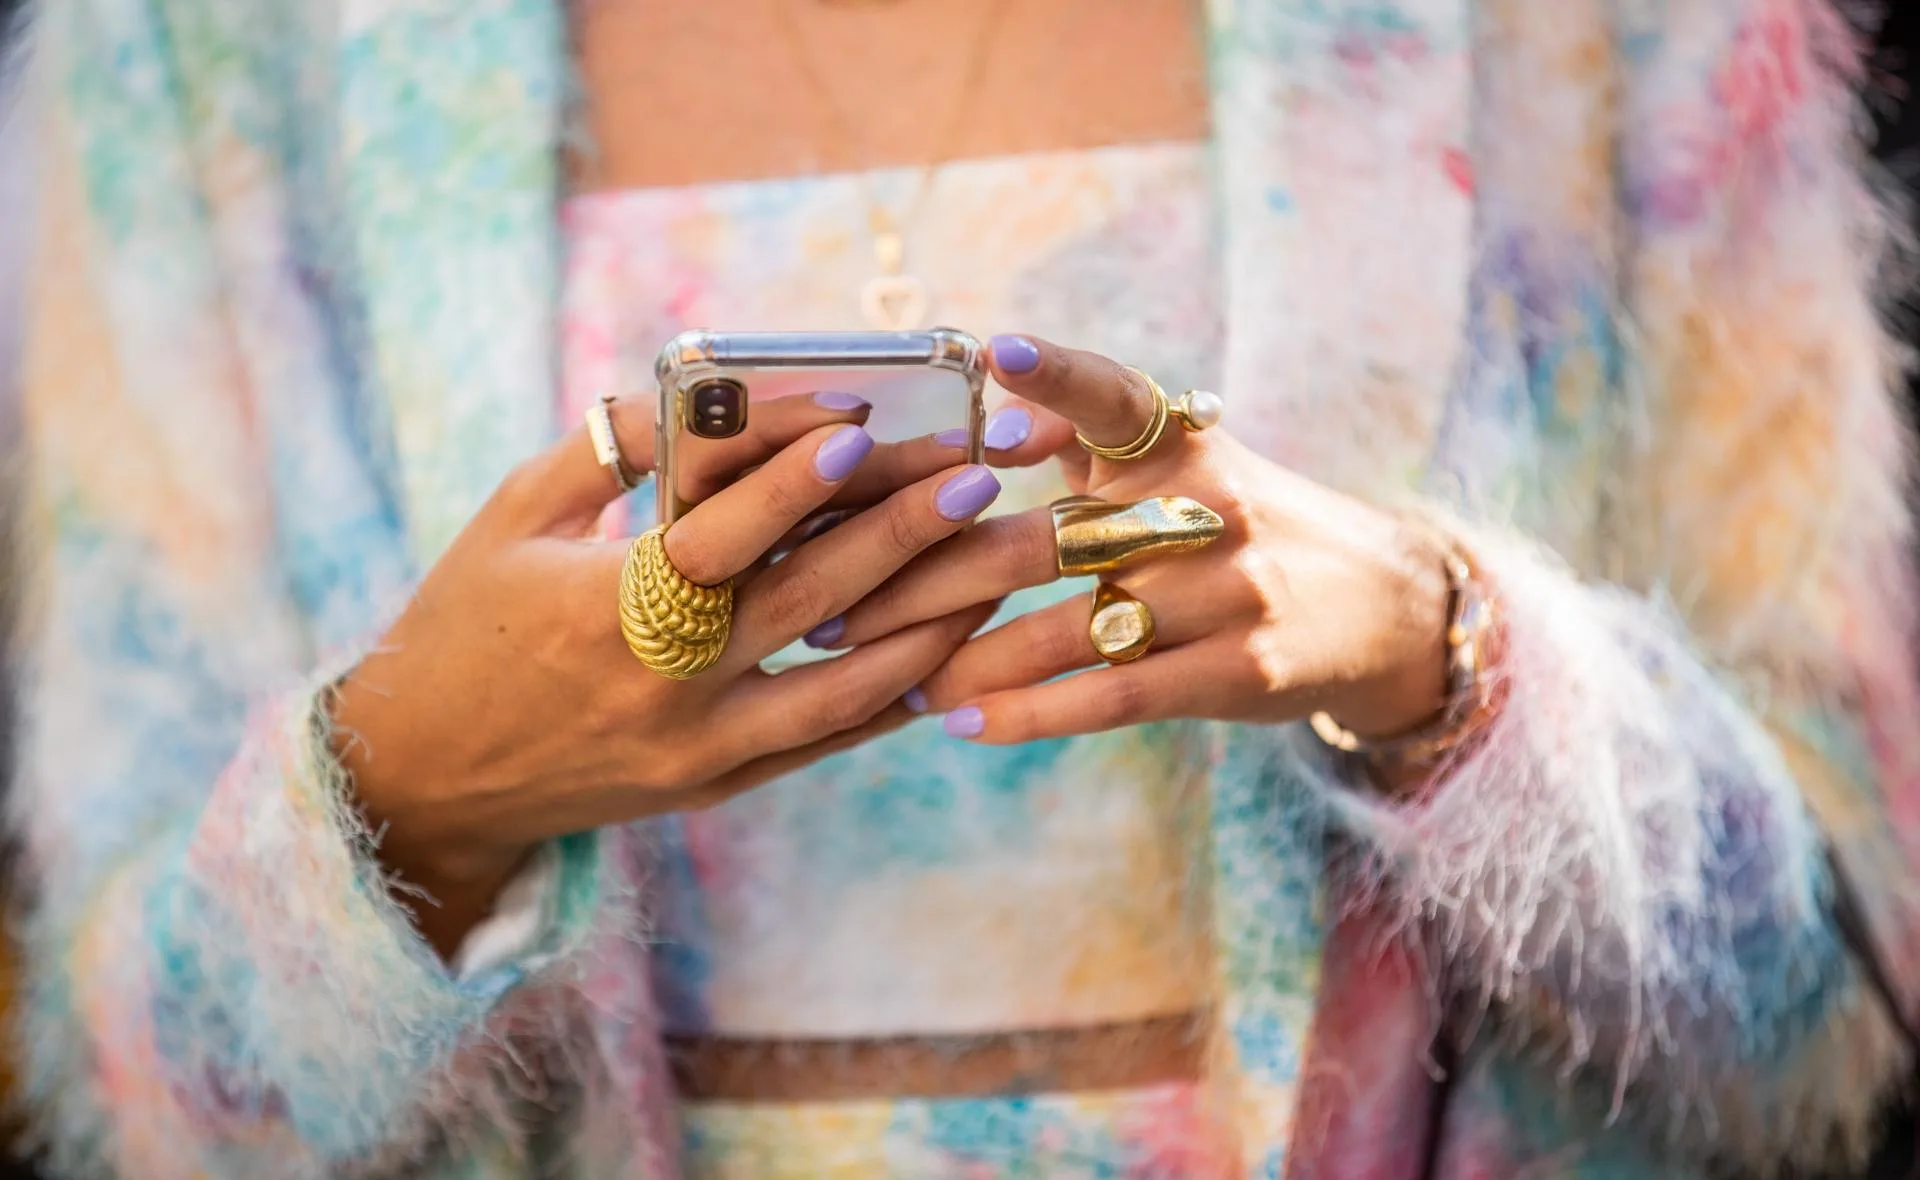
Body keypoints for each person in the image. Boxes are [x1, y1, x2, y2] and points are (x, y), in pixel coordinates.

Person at [9, 0, 1920, 1177]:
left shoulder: (1610, 32)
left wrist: (1450, 661)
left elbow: (1824, 1019)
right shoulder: (198, 52)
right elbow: (146, 1107)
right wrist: (415, 793)